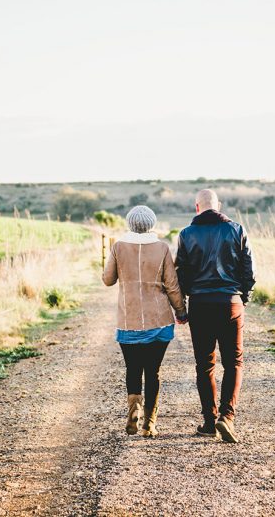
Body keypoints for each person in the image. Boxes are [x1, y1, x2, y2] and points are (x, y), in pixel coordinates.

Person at [175, 189, 255, 443]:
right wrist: (242, 298)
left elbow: (182, 275)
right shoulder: (237, 230)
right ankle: (227, 417)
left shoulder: (186, 234)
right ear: (218, 206)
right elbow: (248, 271)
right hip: (230, 302)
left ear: (197, 207)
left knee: (204, 365)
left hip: (200, 304)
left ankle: (210, 422)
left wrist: (185, 305)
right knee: (233, 362)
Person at [102, 205, 188, 437]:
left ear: (130, 223)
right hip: (158, 321)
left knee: (132, 368)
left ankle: (133, 411)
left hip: (128, 321)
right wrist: (181, 311)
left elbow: (108, 280)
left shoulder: (118, 247)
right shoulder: (161, 248)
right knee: (153, 371)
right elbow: (172, 284)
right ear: (151, 223)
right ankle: (149, 423)